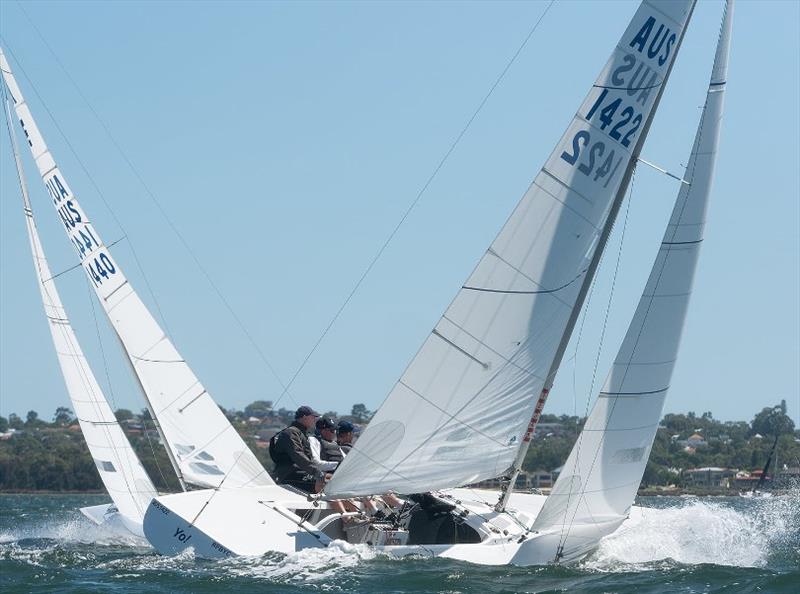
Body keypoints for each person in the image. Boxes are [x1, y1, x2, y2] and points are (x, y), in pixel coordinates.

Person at [270, 405, 323, 493]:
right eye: (313, 417)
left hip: (297, 472)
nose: (315, 420)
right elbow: (297, 455)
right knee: (325, 484)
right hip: (289, 474)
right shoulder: (291, 432)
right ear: (304, 417)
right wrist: (317, 472)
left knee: (330, 480)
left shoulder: (300, 433)